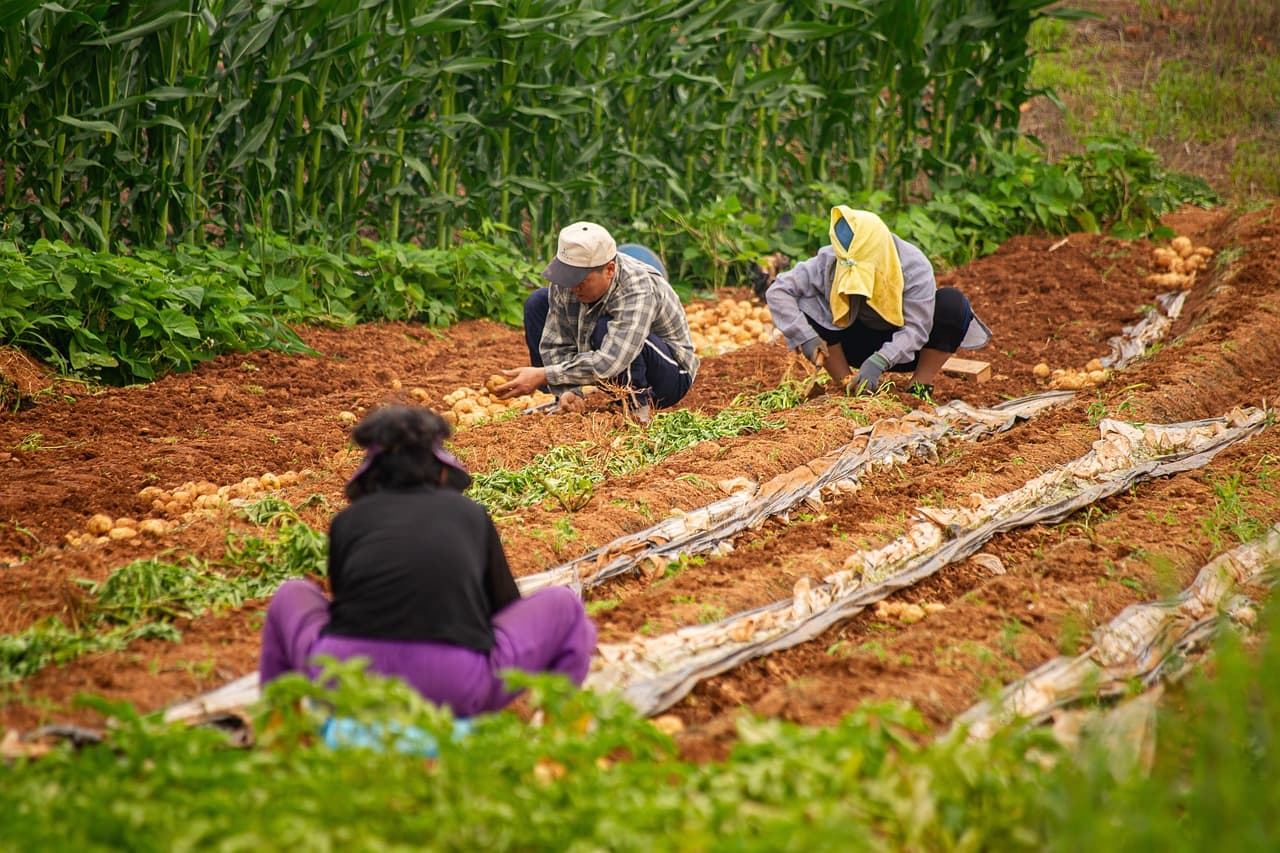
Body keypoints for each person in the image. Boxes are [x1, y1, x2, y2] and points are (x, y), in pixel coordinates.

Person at [258, 405, 597, 717]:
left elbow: (343, 607)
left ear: (371, 477)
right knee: (564, 606)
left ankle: (281, 737)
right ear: (441, 472)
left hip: (347, 681)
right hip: (453, 686)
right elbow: (503, 606)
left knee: (291, 594)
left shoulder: (347, 521)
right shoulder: (470, 514)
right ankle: (557, 741)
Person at [765, 205, 990, 400]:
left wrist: (880, 361)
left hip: (907, 349)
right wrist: (805, 336)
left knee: (953, 304)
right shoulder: (831, 260)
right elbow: (779, 290)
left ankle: (920, 386)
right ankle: (849, 385)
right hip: (852, 342)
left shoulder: (913, 266)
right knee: (808, 302)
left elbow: (916, 329)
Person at [496, 221, 699, 422]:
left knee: (604, 327)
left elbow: (612, 361)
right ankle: (565, 397)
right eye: (568, 276)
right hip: (612, 374)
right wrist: (569, 389)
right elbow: (557, 342)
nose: (573, 286)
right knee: (538, 301)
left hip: (669, 377)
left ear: (609, 270)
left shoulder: (637, 287)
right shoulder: (567, 283)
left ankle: (639, 409)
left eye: (581, 279)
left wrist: (544, 375)